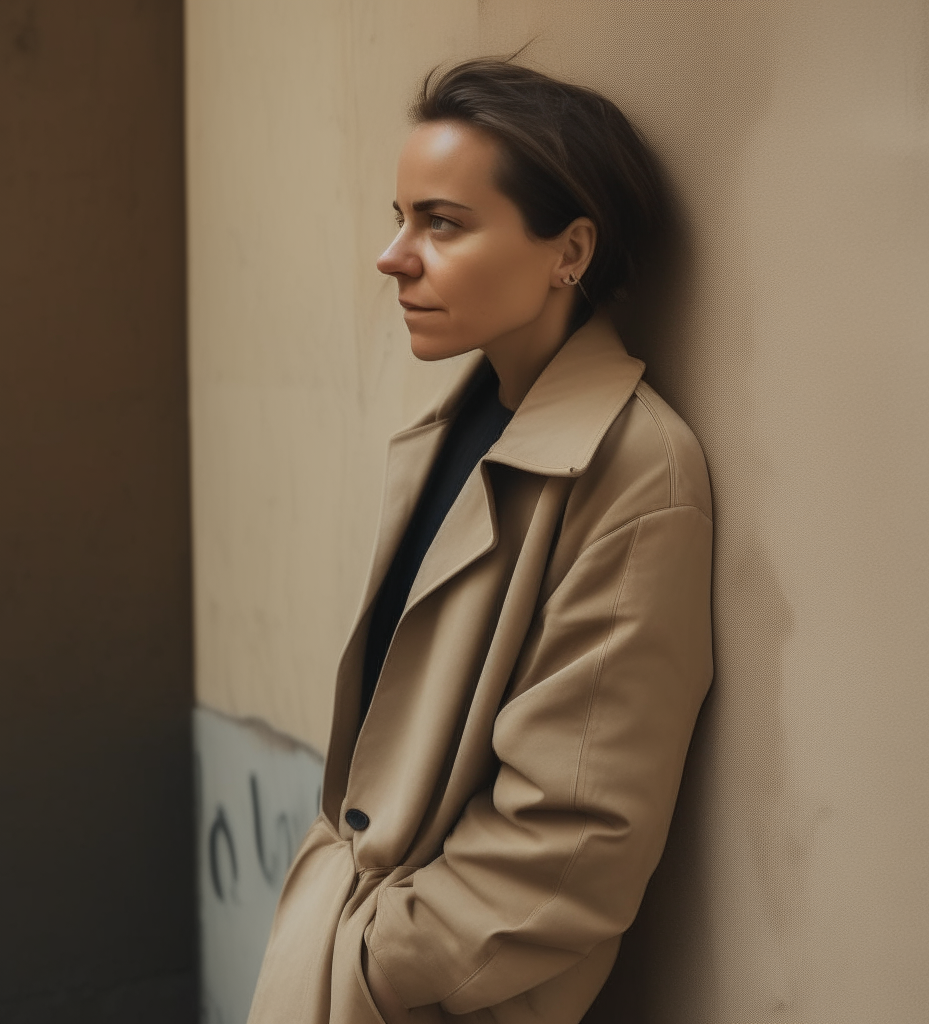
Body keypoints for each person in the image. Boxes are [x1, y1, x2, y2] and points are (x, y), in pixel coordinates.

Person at [247, 56, 713, 1024]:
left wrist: (376, 967)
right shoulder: (462, 420)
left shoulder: (635, 471)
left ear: (569, 252)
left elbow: (573, 845)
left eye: (442, 223)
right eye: (400, 215)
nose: (393, 255)